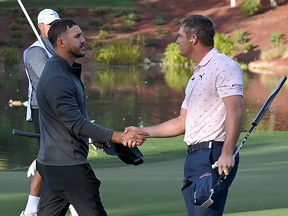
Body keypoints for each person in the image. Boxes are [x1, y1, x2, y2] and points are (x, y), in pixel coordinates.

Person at [125, 14, 244, 216]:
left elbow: (235, 109)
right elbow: (182, 123)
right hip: (193, 159)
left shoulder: (223, 65)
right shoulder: (196, 74)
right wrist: (142, 131)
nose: (177, 40)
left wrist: (226, 152)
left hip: (213, 156)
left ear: (193, 38)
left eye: (180, 36)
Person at [36, 18, 148, 216]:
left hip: (53, 166)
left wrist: (93, 135)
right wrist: (119, 137)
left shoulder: (62, 71)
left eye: (82, 35)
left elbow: (70, 120)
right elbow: (76, 123)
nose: (83, 39)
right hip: (69, 167)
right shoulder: (58, 78)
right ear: (61, 43)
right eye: (77, 36)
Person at [21, 8, 61, 216]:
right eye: (50, 25)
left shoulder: (58, 48)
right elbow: (50, 81)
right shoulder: (36, 51)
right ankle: (31, 210)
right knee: (48, 157)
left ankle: (39, 208)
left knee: (55, 157)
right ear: (41, 27)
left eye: (56, 24)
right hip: (43, 110)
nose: (54, 28)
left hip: (60, 109)